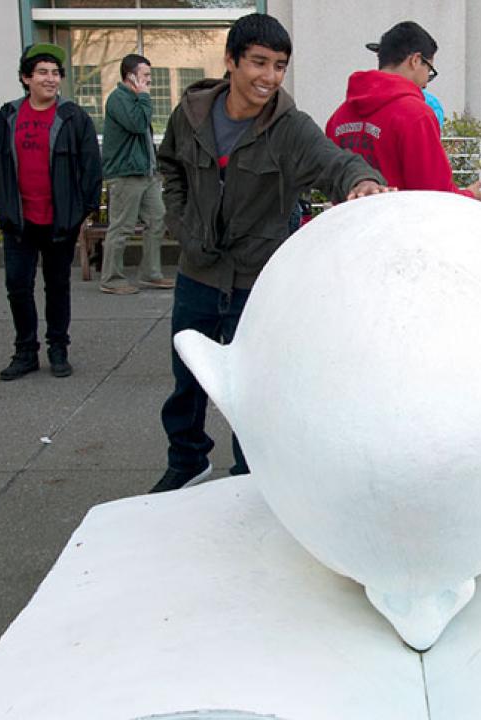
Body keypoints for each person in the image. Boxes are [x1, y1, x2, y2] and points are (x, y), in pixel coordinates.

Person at [154, 13, 388, 493]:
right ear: (230, 61)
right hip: (198, 272)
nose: (269, 77)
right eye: (259, 62)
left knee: (255, 389)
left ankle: (250, 477)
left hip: (257, 281)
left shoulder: (289, 128)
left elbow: (336, 162)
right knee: (188, 379)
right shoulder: (191, 114)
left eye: (279, 66)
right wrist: (181, 222)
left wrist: (362, 182)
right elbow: (171, 165)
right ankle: (187, 460)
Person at [0, 43, 101, 381]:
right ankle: (25, 351)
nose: (50, 79)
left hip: (59, 222)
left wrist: (82, 211)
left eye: (55, 73)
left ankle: (58, 347)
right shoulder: (6, 117)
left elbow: (91, 168)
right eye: (42, 73)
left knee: (57, 286)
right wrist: (2, 202)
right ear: (26, 78)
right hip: (18, 221)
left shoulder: (74, 117)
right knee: (18, 286)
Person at [326, 22, 481, 199]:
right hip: (401, 223)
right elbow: (435, 195)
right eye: (429, 70)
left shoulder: (340, 115)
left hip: (351, 222)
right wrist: (469, 195)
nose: (425, 83)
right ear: (415, 60)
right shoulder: (416, 114)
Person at [97, 53, 173, 295]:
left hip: (146, 173)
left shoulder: (136, 100)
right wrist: (144, 98)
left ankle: (151, 273)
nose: (149, 80)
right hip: (126, 173)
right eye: (146, 75)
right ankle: (111, 278)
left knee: (157, 219)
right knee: (122, 227)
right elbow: (137, 124)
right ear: (130, 76)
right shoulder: (119, 99)